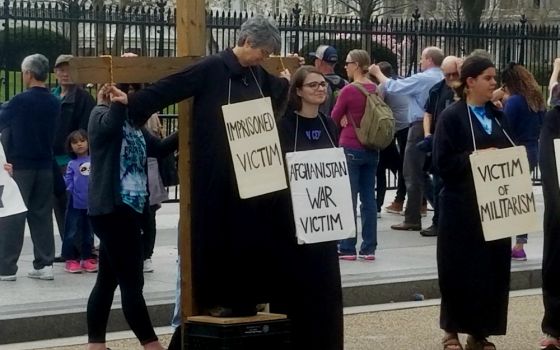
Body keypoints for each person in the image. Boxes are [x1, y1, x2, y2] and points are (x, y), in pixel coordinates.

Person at [125, 15, 292, 317]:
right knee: (219, 233)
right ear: (248, 42)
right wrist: (132, 102)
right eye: (263, 52)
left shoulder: (255, 73)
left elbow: (276, 91)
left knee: (250, 233)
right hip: (216, 167)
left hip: (250, 171)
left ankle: (248, 296)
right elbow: (171, 87)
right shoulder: (212, 67)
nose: (263, 59)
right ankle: (221, 298)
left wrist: (284, 82)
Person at [86, 84, 177, 350]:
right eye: (128, 91)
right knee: (132, 281)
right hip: (112, 208)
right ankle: (151, 345)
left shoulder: (133, 123)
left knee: (107, 280)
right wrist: (117, 103)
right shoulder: (100, 114)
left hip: (132, 208)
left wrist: (187, 129)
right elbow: (107, 129)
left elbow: (158, 148)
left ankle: (96, 345)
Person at [433, 55, 512, 350]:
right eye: (488, 78)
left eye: (494, 78)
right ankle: (451, 329)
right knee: (458, 268)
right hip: (461, 206)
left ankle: (480, 331)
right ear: (470, 82)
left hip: (495, 207)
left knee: (490, 270)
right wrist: (476, 159)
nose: (494, 83)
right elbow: (442, 162)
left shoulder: (498, 117)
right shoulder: (451, 117)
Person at [272, 65, 343, 350]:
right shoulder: (285, 125)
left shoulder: (329, 124)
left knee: (324, 289)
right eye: (313, 85)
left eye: (323, 84)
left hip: (324, 222)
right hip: (294, 222)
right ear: (298, 90)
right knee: (297, 289)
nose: (320, 89)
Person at [369, 47, 444, 231]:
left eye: (422, 58)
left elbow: (395, 86)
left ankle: (412, 218)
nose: (420, 62)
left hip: (419, 126)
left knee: (411, 172)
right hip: (438, 125)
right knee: (427, 172)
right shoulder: (443, 77)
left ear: (429, 60)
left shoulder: (424, 78)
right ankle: (442, 212)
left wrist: (378, 73)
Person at [0, 54, 60, 281]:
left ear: (28, 73)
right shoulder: (54, 102)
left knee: (13, 215)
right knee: (42, 215)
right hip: (45, 165)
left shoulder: (19, 101)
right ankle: (45, 264)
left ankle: (6, 267)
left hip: (20, 167)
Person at [331, 49, 379, 261]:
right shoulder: (376, 89)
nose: (345, 66)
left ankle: (347, 247)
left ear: (357, 65)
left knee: (348, 197)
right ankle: (369, 248)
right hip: (372, 148)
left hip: (350, 145)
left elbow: (334, 117)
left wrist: (344, 121)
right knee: (369, 198)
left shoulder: (349, 90)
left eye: (348, 62)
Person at [52, 54, 96, 260]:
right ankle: (69, 248)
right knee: (61, 207)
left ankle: (81, 249)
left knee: (76, 205)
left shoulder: (84, 98)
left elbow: (86, 130)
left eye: (69, 69)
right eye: (61, 69)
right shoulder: (52, 96)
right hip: (53, 159)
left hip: (73, 160)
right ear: (55, 73)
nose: (65, 73)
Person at [500, 62, 545, 260]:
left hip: (515, 151)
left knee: (506, 198)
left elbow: (506, 127)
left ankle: (511, 243)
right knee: (521, 200)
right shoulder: (535, 100)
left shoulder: (515, 101)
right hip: (532, 150)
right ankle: (520, 244)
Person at [418, 55, 461, 237]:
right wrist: (428, 133)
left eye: (453, 74)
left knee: (448, 185)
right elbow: (428, 113)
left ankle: (448, 220)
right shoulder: (438, 89)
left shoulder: (463, 90)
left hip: (457, 143)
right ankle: (439, 220)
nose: (450, 78)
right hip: (438, 141)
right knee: (435, 182)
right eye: (447, 74)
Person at [537, 75, 560, 350]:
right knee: (556, 263)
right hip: (559, 206)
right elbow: (548, 162)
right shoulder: (554, 119)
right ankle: (554, 327)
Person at [375, 61, 409, 217]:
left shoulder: (384, 86)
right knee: (402, 165)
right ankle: (410, 200)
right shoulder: (402, 81)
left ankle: (382, 204)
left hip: (393, 128)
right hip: (408, 125)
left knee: (384, 165)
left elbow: (377, 106)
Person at [62, 129, 97, 273]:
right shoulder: (71, 164)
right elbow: (68, 180)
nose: (79, 144)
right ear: (70, 147)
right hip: (75, 202)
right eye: (75, 142)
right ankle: (70, 258)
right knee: (71, 230)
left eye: (82, 141)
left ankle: (87, 257)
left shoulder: (95, 161)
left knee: (89, 231)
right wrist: (71, 190)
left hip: (91, 202)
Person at [141, 113, 169, 273]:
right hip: (127, 176)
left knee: (149, 215)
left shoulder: (147, 116)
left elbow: (158, 146)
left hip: (149, 168)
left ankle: (146, 255)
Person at [309, 44, 347, 116]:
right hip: (339, 126)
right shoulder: (346, 84)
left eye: (315, 59)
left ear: (319, 62)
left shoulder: (316, 85)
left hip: (322, 124)